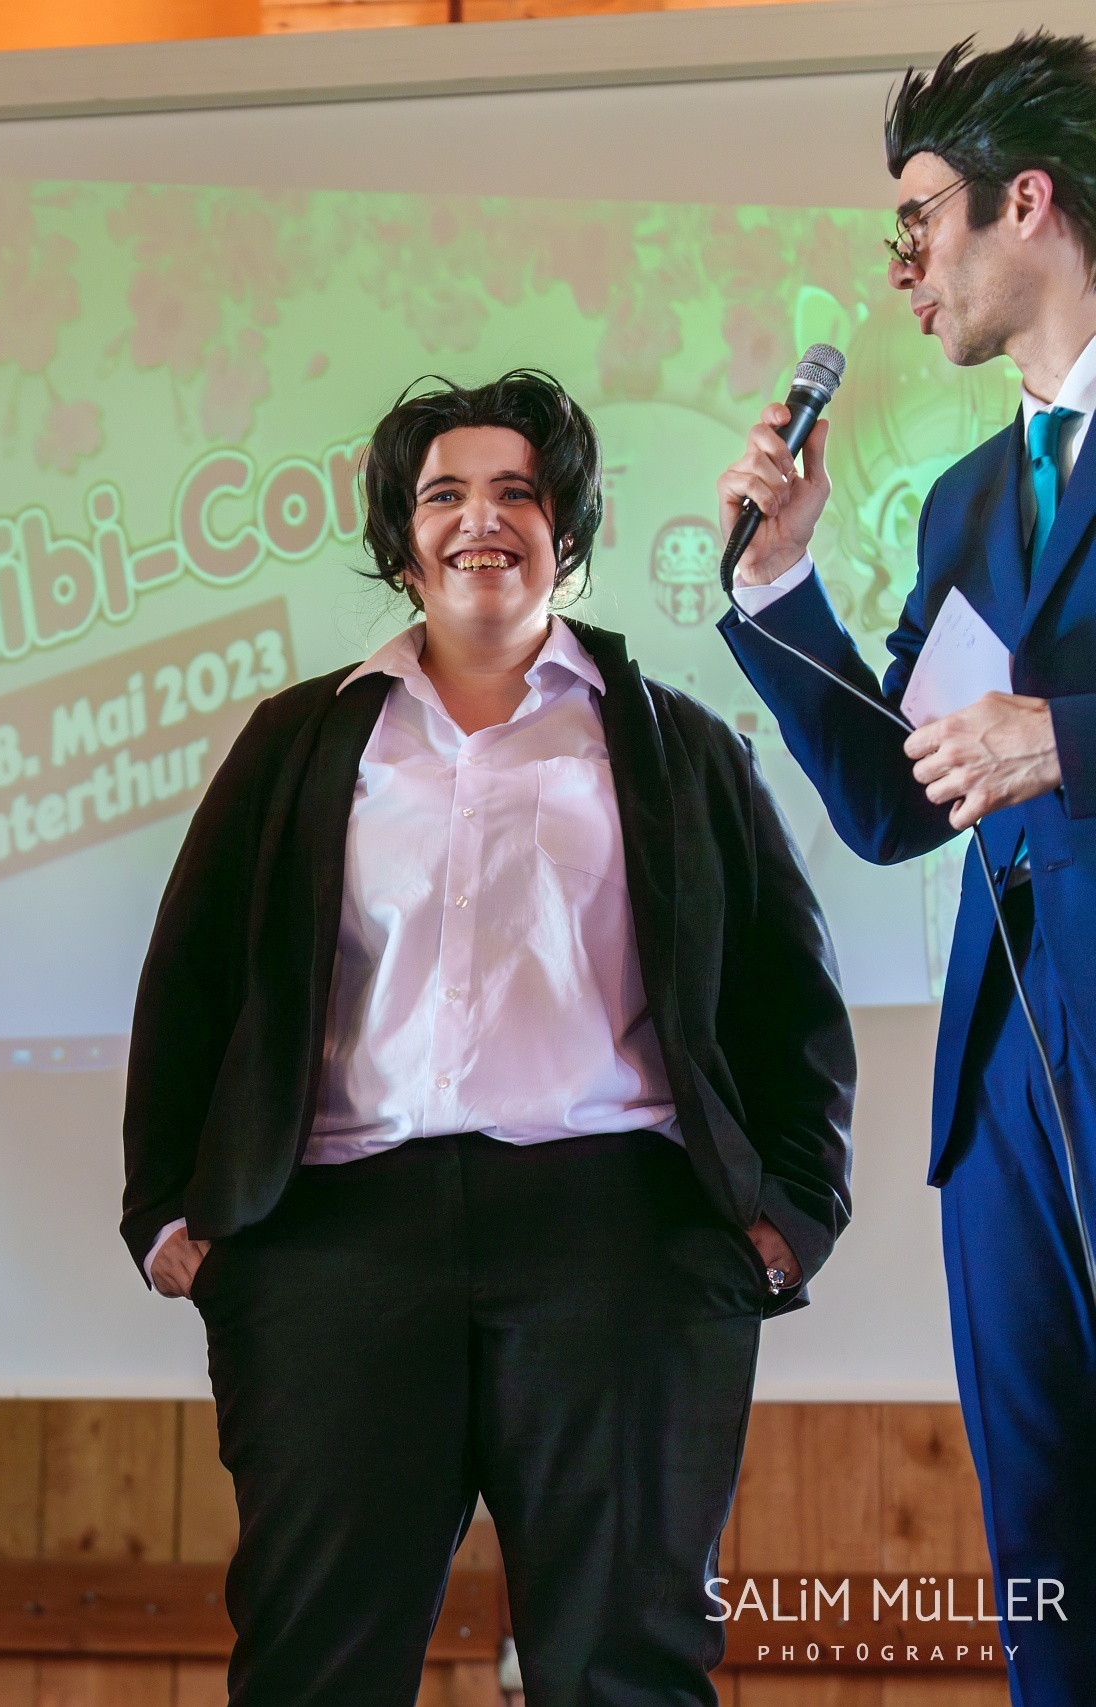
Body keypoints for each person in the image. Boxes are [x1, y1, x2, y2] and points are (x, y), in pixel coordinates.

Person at [126, 371, 854, 1706]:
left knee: (627, 1668)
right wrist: (166, 1206)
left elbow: (786, 993)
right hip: (335, 1248)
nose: (481, 519)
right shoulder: (298, 743)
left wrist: (795, 1210)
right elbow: (191, 982)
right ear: (401, 538)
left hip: (619, 1245)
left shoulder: (677, 743)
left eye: (517, 491)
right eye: (444, 494)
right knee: (311, 1668)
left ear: (563, 528)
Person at [715, 32, 1096, 1705]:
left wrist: (1067, 738)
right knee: (1050, 1564)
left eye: (922, 218)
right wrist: (780, 588)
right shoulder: (964, 504)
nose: (902, 268)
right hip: (1010, 1088)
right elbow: (894, 799)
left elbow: (1030, 742)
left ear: (1031, 202)